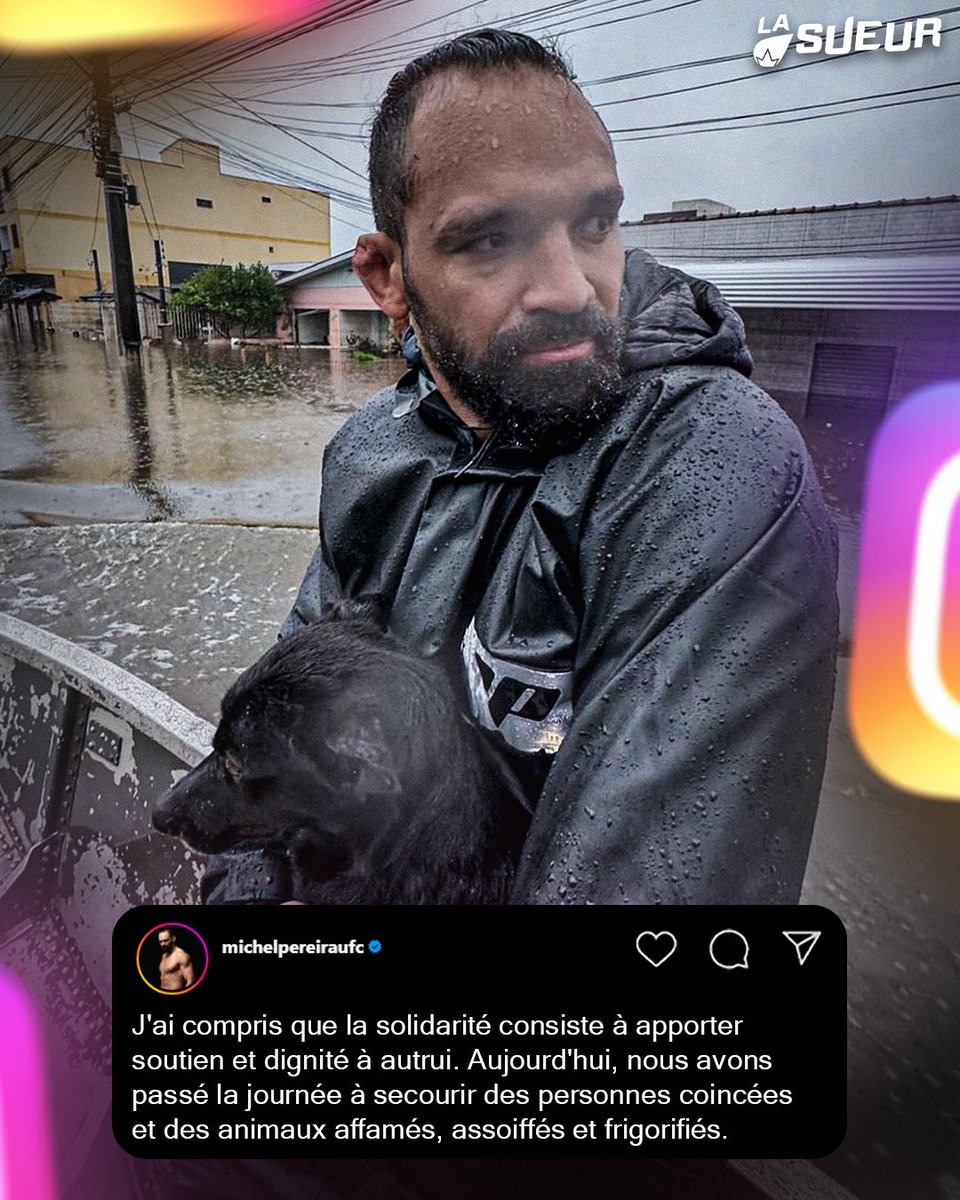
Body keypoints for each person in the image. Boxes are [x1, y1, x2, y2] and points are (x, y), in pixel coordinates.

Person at [282, 28, 838, 907]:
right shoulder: (369, 451)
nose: (571, 289)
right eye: (488, 240)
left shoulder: (712, 466)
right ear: (387, 275)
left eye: (594, 224)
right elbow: (283, 728)